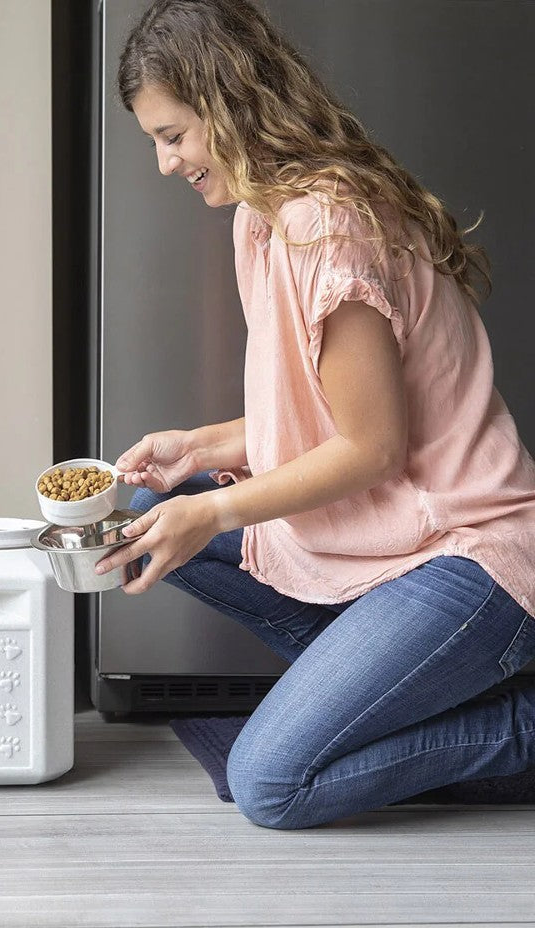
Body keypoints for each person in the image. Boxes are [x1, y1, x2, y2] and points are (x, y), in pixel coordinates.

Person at [94, 0, 535, 830]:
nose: (164, 161)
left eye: (174, 133)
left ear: (227, 104)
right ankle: (406, 685)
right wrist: (198, 450)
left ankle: (518, 719)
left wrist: (216, 504)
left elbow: (369, 448)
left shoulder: (326, 226)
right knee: (149, 515)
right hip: (392, 541)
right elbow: (323, 415)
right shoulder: (264, 220)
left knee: (272, 784)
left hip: (469, 557)